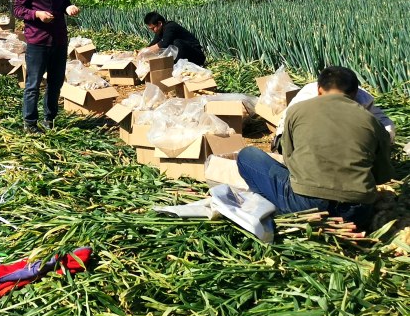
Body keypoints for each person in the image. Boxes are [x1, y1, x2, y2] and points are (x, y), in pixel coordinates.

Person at [236, 66, 393, 229]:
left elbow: (289, 160)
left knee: (247, 156)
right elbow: (382, 175)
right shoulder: (373, 122)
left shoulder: (298, 110)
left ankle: (282, 212)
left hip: (308, 205)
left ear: (319, 89)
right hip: (358, 213)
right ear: (355, 94)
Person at [12, 0, 80, 133]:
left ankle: (49, 120)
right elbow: (17, 10)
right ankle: (30, 123)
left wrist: (70, 8)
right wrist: (37, 15)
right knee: (33, 84)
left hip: (59, 39)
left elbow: (65, 3)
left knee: (55, 83)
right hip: (37, 41)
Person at [271, 79, 395, 151]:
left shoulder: (363, 99)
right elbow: (286, 122)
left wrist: (382, 143)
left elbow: (385, 124)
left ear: (354, 94)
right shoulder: (306, 99)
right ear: (320, 91)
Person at [139, 12, 205, 65]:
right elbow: (154, 43)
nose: (153, 30)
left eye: (153, 28)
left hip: (197, 56)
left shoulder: (170, 27)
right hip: (186, 55)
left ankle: (178, 64)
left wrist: (147, 50)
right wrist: (143, 51)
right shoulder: (160, 31)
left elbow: (164, 43)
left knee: (177, 42)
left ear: (159, 23)